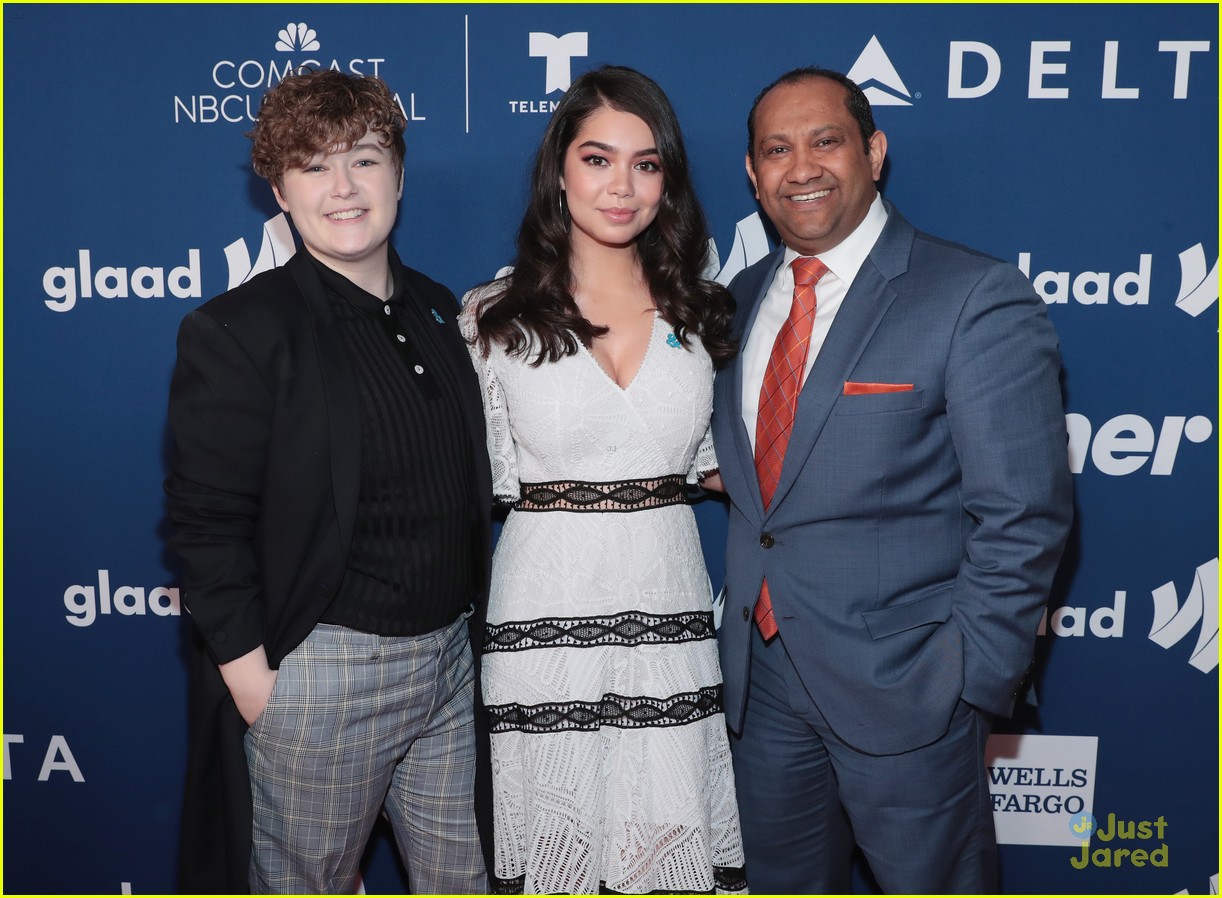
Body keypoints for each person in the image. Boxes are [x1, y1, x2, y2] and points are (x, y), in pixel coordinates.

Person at [710, 67, 1073, 893]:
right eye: (776, 149)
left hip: (911, 692)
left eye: (825, 141)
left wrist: (966, 681)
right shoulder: (735, 302)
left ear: (874, 151)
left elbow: (1023, 515)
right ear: (752, 175)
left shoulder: (972, 296)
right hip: (761, 689)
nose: (800, 167)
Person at [165, 69, 491, 894]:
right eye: (314, 166)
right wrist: (259, 689)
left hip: (451, 663)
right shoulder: (238, 330)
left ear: (400, 176)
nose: (343, 188)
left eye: (366, 159)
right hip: (326, 676)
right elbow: (204, 525)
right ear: (279, 188)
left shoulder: (434, 307)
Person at [462, 65, 747, 894]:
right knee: (556, 854)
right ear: (559, 169)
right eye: (598, 159)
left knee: (668, 850)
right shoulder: (491, 318)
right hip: (541, 611)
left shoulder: (707, 312)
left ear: (669, 181)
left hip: (669, 603)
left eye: (646, 163)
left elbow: (746, 460)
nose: (622, 186)